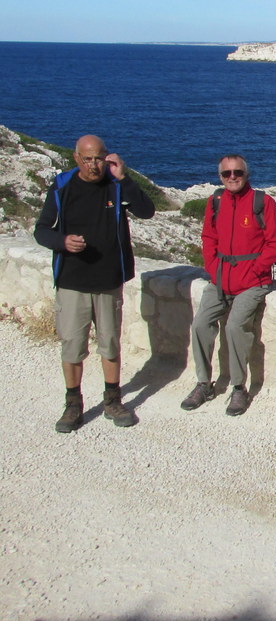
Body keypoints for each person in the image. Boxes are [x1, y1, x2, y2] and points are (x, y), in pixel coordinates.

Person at [33, 134, 155, 432]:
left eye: (98, 158)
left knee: (110, 344)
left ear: (107, 157)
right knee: (72, 346)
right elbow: (41, 230)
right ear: (76, 158)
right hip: (72, 281)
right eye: (87, 159)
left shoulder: (115, 185)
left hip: (108, 280)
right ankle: (73, 404)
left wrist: (124, 178)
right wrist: (62, 241)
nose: (93, 165)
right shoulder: (63, 186)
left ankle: (113, 399)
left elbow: (147, 211)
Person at [180, 155, 276, 416]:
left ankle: (239, 387)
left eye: (237, 172)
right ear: (220, 177)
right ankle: (204, 383)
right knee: (200, 323)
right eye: (226, 174)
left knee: (235, 326)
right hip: (220, 278)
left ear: (246, 174)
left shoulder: (263, 202)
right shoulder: (215, 202)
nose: (232, 177)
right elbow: (208, 236)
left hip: (253, 281)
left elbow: (275, 242)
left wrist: (256, 269)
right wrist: (212, 266)